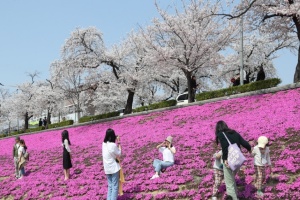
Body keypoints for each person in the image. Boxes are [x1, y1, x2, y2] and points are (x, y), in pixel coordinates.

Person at [215, 121, 251, 200]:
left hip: (229, 161)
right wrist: (249, 149)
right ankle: (236, 197)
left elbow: (225, 147)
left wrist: (224, 159)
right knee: (232, 179)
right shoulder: (234, 133)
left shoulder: (221, 134)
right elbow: (245, 143)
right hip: (238, 160)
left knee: (229, 184)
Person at [102, 128, 121, 200]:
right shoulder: (113, 145)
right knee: (115, 186)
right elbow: (119, 154)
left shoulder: (103, 144)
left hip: (107, 168)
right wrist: (118, 142)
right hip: (114, 168)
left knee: (110, 186)